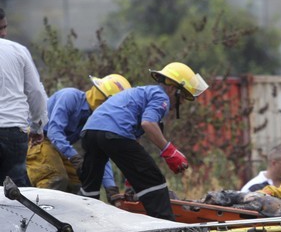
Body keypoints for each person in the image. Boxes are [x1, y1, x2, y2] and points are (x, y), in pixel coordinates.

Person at [79, 62, 208, 220]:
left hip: (90, 132)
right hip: (114, 133)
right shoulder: (161, 96)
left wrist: (131, 177)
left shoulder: (140, 92)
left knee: (90, 187)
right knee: (154, 180)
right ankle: (166, 229)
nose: (181, 103)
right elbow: (148, 123)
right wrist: (170, 151)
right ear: (174, 89)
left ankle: (84, 222)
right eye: (183, 98)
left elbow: (133, 140)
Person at [27, 74, 131, 198]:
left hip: (59, 148)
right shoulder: (69, 97)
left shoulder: (96, 118)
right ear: (105, 99)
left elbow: (100, 153)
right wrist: (74, 157)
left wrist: (110, 188)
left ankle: (66, 216)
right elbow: (54, 132)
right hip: (38, 139)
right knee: (56, 178)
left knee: (78, 184)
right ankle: (39, 212)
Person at [0, 36, 48, 187]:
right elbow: (35, 91)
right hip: (13, 129)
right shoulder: (17, 49)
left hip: (13, 127)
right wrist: (37, 125)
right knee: (17, 192)